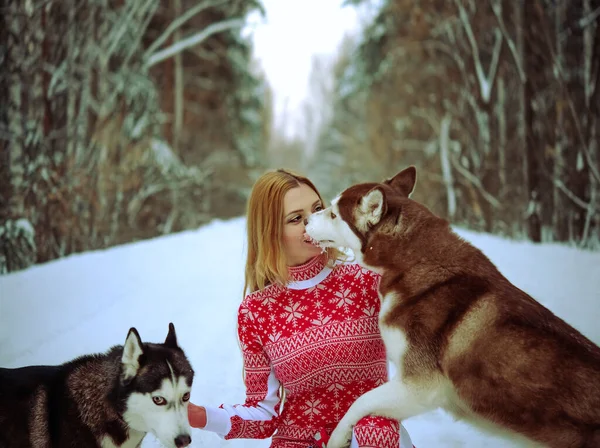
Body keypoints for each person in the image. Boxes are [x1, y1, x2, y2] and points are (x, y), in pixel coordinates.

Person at [188, 169, 414, 448]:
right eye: (296, 218)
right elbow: (263, 413)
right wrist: (202, 416)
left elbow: (426, 340)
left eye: (318, 209)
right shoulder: (256, 312)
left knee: (375, 430)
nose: (313, 222)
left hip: (372, 437)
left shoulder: (368, 279)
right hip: (298, 441)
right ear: (270, 232)